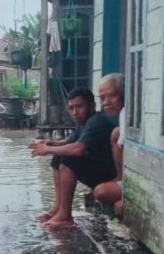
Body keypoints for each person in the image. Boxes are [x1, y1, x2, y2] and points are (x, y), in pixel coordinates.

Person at [30, 87, 118, 229]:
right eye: (71, 108)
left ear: (92, 106)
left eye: (79, 107)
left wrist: (47, 150)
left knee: (68, 160)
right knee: (58, 158)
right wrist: (49, 143)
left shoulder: (97, 120)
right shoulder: (84, 123)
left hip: (111, 175)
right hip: (100, 169)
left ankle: (65, 216)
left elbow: (77, 149)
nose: (75, 112)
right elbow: (68, 143)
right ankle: (58, 208)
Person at [93, 74, 125, 217]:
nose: (105, 102)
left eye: (111, 96)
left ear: (123, 95)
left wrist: (126, 197)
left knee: (100, 192)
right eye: (102, 98)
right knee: (116, 133)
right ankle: (120, 179)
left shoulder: (125, 114)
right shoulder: (121, 118)